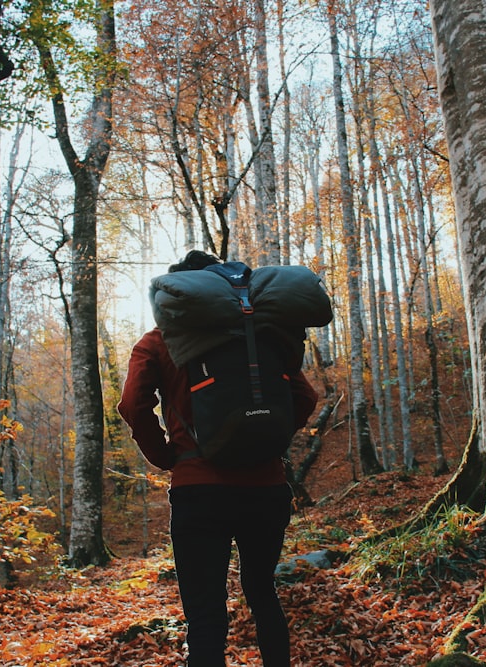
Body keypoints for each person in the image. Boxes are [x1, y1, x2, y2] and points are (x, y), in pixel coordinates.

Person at [118, 250, 318, 667]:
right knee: (263, 593)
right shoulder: (260, 335)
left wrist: (167, 457)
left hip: (198, 491)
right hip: (266, 489)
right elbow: (305, 397)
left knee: (205, 612)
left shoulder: (158, 340)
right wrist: (270, 441)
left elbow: (133, 405)